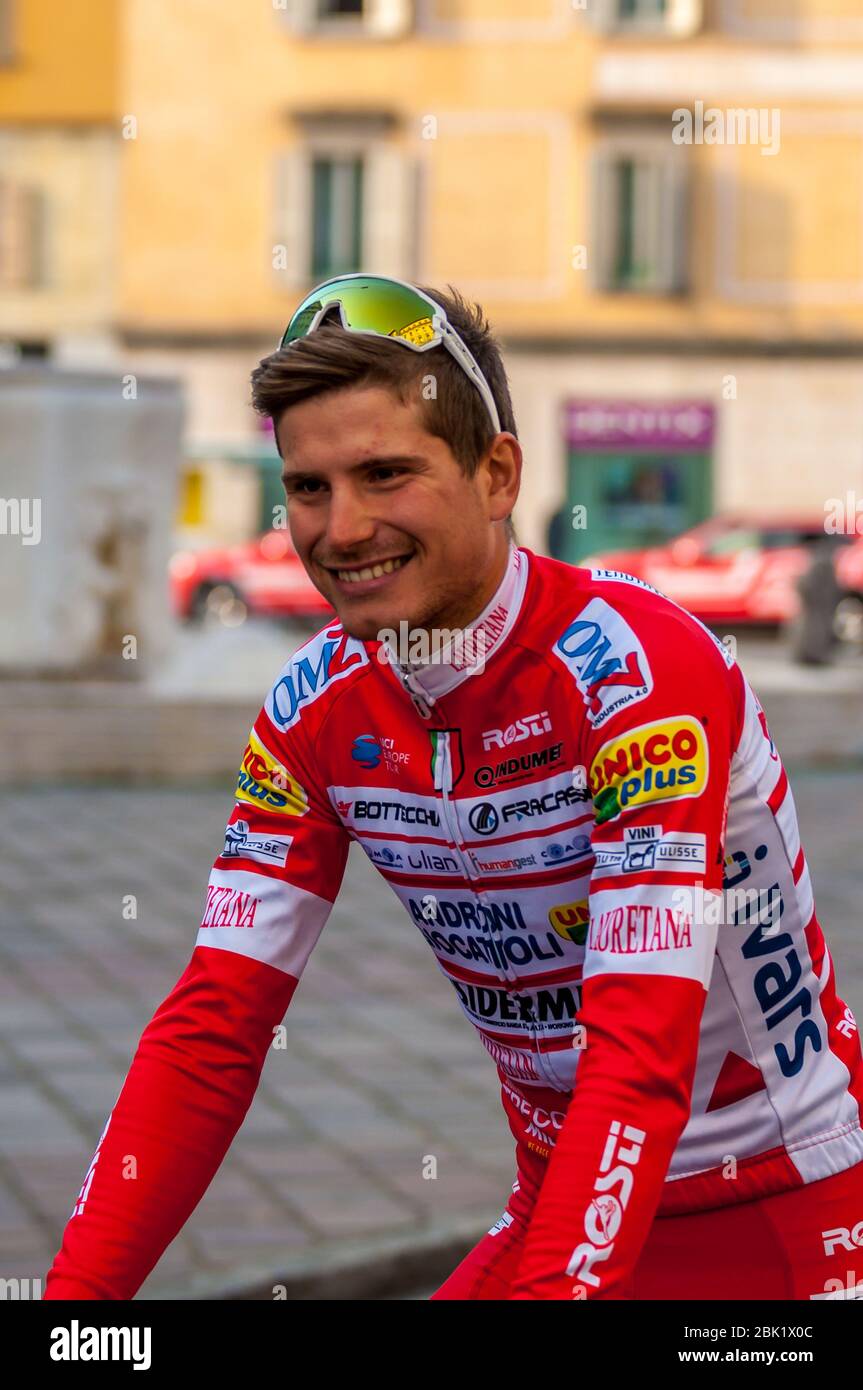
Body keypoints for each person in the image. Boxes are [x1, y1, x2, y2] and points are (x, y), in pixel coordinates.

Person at [45, 275, 863, 1301]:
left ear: (496, 473)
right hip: (557, 1204)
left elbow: (635, 1047)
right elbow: (212, 1028)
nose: (340, 530)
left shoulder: (638, 671)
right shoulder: (313, 710)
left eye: (385, 474)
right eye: (308, 487)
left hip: (787, 1217)